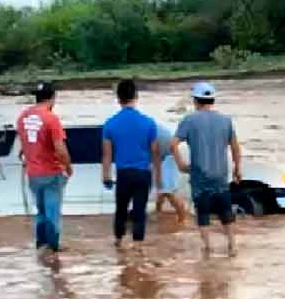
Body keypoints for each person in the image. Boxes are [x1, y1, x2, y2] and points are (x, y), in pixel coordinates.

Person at [172, 82, 242, 256]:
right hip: (220, 176)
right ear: (213, 100)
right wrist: (237, 168)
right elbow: (235, 147)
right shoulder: (226, 121)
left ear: (195, 101)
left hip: (199, 176)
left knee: (202, 214)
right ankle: (232, 246)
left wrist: (181, 164)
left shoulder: (189, 120)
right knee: (226, 212)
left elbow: (173, 144)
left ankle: (208, 249)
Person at [101, 79, 161, 250]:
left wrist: (105, 175)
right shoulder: (149, 122)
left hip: (124, 174)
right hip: (143, 173)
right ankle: (138, 248)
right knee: (139, 210)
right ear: (136, 96)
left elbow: (107, 154)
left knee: (121, 209)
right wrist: (158, 176)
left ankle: (119, 244)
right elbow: (155, 152)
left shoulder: (110, 124)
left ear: (118, 99)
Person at [15, 82, 73, 254]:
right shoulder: (51, 118)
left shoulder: (22, 117)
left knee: (40, 212)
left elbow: (26, 142)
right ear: (53, 98)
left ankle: (41, 246)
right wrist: (68, 166)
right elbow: (60, 149)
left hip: (33, 174)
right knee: (52, 213)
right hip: (51, 172)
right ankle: (54, 250)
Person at [154, 123, 186, 224]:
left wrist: (158, 176)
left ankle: (182, 220)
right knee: (161, 193)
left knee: (168, 193)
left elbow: (155, 152)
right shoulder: (152, 127)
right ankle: (158, 215)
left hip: (167, 158)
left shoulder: (149, 130)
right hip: (167, 156)